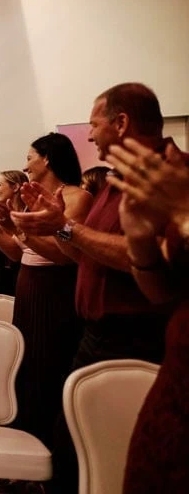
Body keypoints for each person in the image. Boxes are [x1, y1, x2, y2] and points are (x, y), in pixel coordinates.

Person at [11, 83, 175, 491]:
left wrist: (64, 227)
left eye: (94, 124)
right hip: (95, 337)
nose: (88, 135)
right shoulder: (113, 185)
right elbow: (84, 252)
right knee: (71, 450)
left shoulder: (173, 178)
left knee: (98, 457)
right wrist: (54, 230)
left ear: (121, 123)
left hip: (132, 341)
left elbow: (150, 260)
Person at [0, 133, 92, 447]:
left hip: (55, 292)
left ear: (47, 158)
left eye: (30, 157)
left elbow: (64, 255)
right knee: (28, 366)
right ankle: (26, 440)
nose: (26, 165)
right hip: (30, 290)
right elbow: (21, 254)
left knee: (50, 366)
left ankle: (49, 445)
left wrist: (20, 227)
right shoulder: (36, 200)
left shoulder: (76, 198)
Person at [105, 137, 189, 492]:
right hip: (176, 388)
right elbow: (164, 293)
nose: (91, 135)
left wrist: (185, 212)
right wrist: (139, 242)